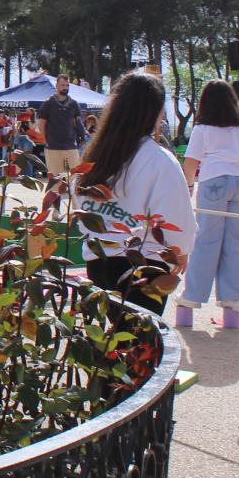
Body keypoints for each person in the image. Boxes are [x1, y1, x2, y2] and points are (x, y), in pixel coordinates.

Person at [78, 71, 195, 315]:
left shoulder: (95, 154)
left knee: (109, 334)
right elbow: (176, 218)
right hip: (143, 266)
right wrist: (180, 250)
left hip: (98, 261)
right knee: (137, 337)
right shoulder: (160, 160)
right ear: (157, 113)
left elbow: (80, 202)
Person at [177, 79, 239, 317]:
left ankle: (192, 296)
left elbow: (191, 161)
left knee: (206, 241)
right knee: (235, 242)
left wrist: (189, 186)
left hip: (213, 181)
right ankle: (234, 298)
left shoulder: (203, 128)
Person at [39, 75, 89, 176]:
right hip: (53, 147)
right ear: (57, 86)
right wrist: (45, 140)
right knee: (55, 178)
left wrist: (83, 138)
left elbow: (78, 123)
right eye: (62, 85)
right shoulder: (48, 103)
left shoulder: (74, 104)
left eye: (67, 85)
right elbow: (41, 124)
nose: (65, 88)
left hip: (71, 147)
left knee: (74, 177)